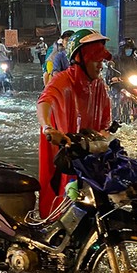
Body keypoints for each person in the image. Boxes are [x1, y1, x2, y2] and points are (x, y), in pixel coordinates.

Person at [36, 29, 112, 218]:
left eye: (102, 61)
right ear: (82, 58)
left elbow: (105, 122)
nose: (100, 66)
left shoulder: (99, 86)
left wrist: (105, 137)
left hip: (87, 150)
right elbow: (44, 102)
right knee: (61, 197)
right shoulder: (62, 79)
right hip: (61, 149)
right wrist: (47, 127)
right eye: (97, 60)